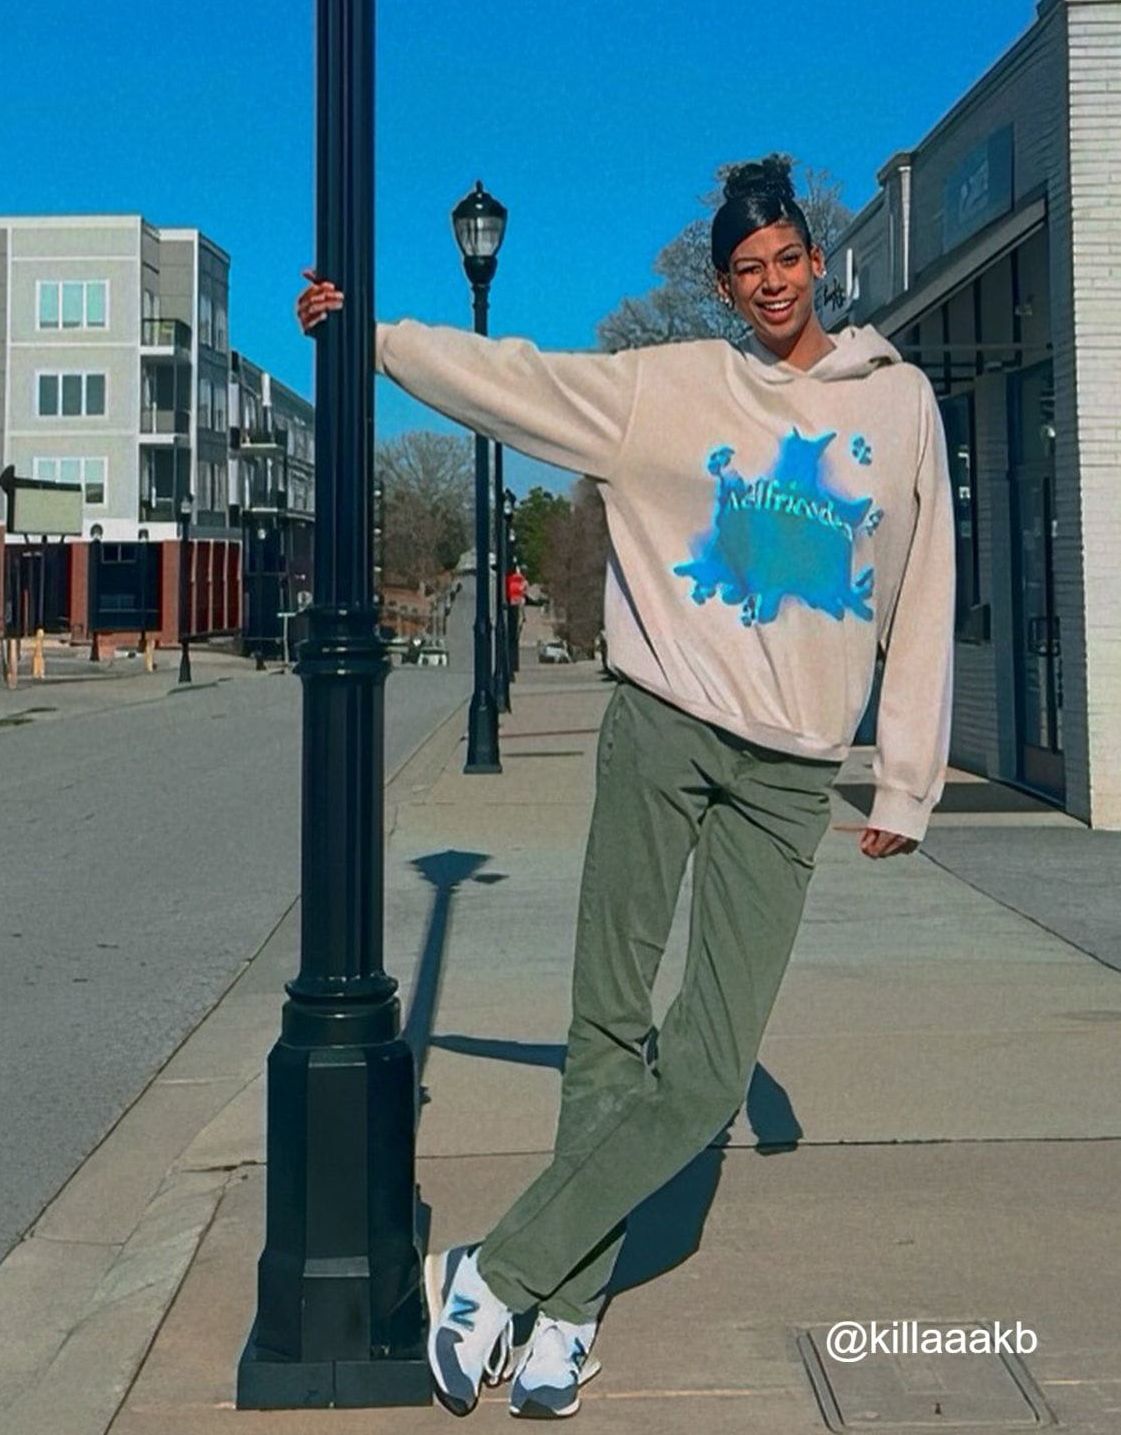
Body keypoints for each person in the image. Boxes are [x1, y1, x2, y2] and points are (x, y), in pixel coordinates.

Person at [296, 155, 955, 1419]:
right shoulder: (674, 388)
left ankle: (495, 1272)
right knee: (607, 1025)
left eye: (788, 261)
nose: (772, 285)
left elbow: (924, 585)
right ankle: (567, 1312)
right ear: (725, 287)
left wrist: (906, 781)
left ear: (818, 263)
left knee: (704, 1069)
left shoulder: (900, 400)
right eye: (747, 271)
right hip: (661, 730)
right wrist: (373, 338)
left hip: (790, 770)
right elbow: (517, 381)